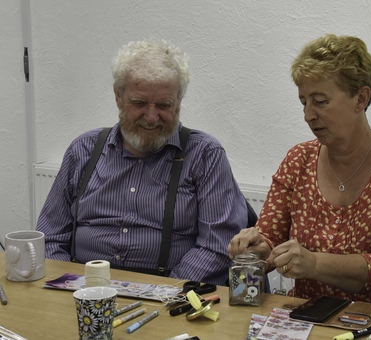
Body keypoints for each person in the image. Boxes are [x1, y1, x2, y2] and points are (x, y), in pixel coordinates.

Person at [228, 34, 371, 319]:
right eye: (303, 101)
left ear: (361, 98)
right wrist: (256, 250)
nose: (308, 115)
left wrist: (314, 263)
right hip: (311, 314)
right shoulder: (298, 160)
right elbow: (270, 237)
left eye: (320, 101)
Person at [37, 39, 248, 286]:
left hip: (169, 296)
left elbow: (217, 247)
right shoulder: (83, 150)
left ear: (178, 102)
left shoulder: (205, 155)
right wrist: (70, 284)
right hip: (84, 292)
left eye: (163, 105)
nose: (151, 117)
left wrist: (163, 292)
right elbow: (50, 238)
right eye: (139, 103)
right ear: (118, 96)